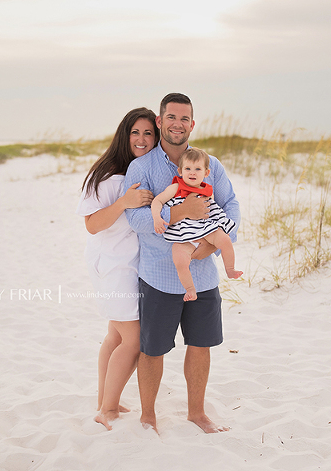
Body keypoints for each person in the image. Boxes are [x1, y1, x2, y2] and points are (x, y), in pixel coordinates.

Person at [124, 93, 240, 433]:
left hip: (203, 276)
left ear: (192, 123)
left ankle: (197, 413)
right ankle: (148, 415)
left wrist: (210, 246)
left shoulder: (210, 164)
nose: (178, 124)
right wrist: (180, 213)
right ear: (160, 122)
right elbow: (137, 220)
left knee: (201, 346)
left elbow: (230, 205)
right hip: (159, 275)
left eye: (184, 118)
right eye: (171, 117)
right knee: (153, 349)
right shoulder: (142, 167)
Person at [76, 107, 158, 430]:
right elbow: (92, 224)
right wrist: (125, 202)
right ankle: (107, 409)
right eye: (135, 132)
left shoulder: (135, 169)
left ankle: (103, 400)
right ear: (124, 135)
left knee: (114, 334)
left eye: (148, 133)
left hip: (123, 263)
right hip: (113, 265)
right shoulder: (110, 174)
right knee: (134, 340)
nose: (141, 139)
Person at [150, 147, 242, 301]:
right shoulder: (176, 187)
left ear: (206, 173)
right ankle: (190, 289)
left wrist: (213, 236)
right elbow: (157, 201)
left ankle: (230, 268)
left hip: (206, 229)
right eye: (188, 168)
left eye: (197, 169)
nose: (192, 172)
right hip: (183, 233)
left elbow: (214, 210)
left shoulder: (208, 190)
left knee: (225, 240)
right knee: (179, 260)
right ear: (180, 171)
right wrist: (157, 218)